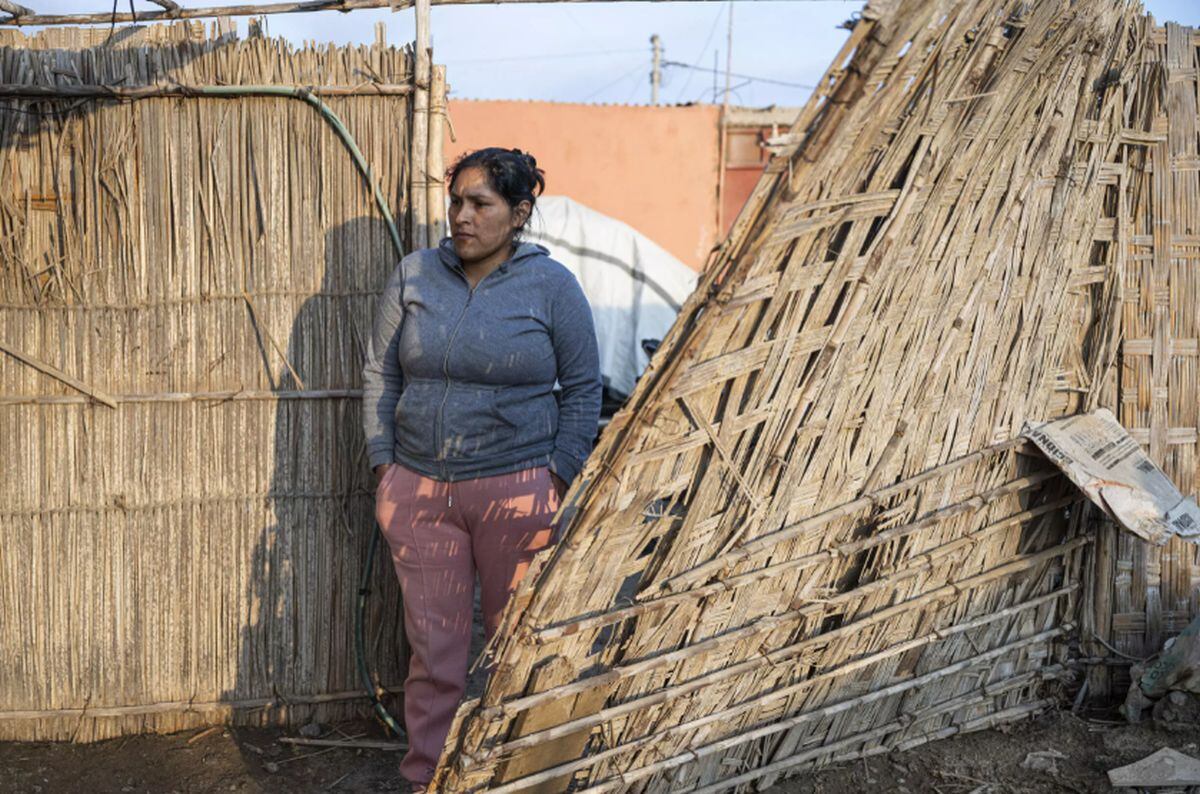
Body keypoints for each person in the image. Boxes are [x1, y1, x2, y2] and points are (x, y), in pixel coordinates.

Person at [362, 147, 602, 791]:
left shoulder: (552, 288)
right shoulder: (415, 275)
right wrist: (386, 465)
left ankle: (516, 776)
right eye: (456, 201)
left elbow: (583, 389)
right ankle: (427, 779)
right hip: (418, 490)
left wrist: (555, 475)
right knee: (434, 652)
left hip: (517, 489)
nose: (461, 217)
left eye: (481, 204)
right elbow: (381, 373)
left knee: (516, 642)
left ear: (519, 212)